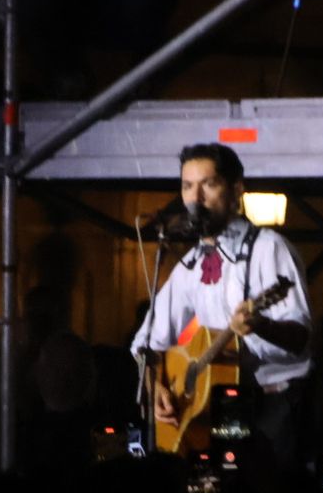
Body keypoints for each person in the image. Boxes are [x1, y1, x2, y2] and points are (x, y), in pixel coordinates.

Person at [130, 143, 312, 468]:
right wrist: (155, 384)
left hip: (275, 408)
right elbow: (145, 345)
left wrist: (261, 325)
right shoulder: (191, 263)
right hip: (216, 412)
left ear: (235, 191)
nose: (195, 198)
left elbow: (301, 338)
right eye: (187, 186)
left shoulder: (269, 249)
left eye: (208, 184)